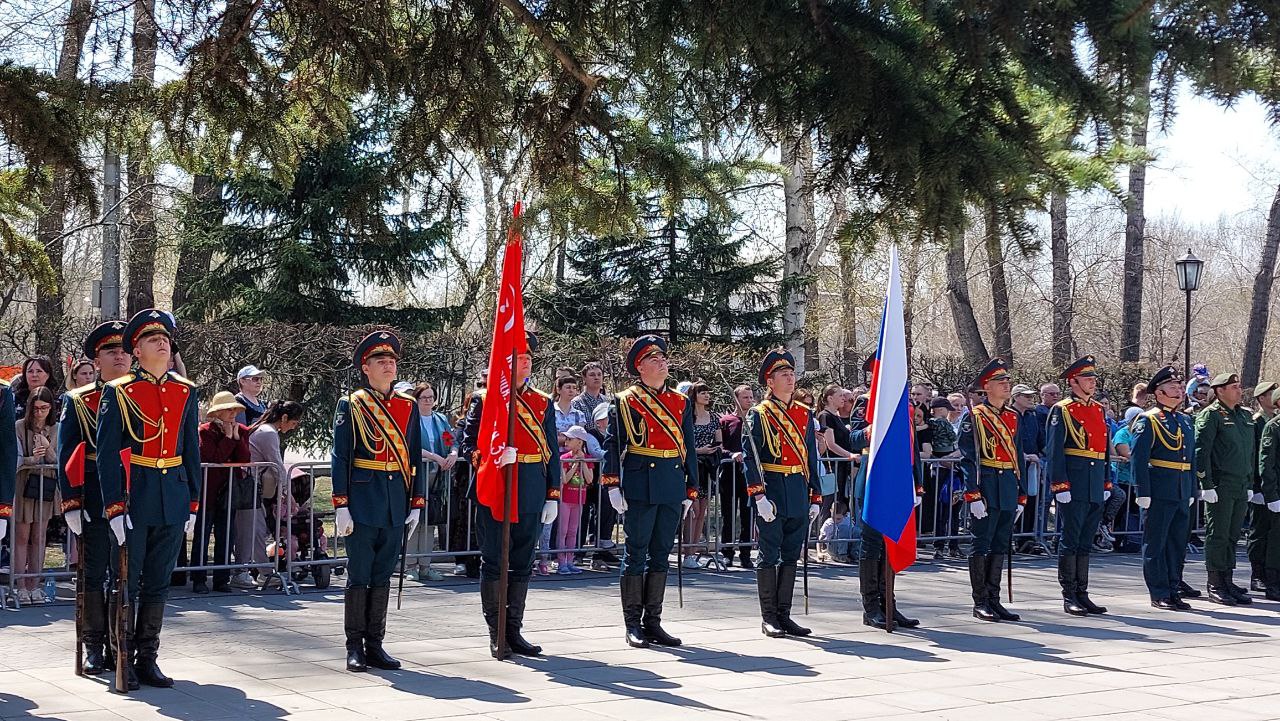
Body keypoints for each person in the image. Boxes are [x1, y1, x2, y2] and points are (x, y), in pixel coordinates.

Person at [97, 308, 202, 689]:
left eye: (165, 338)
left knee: (158, 582)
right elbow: (108, 454)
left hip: (171, 493)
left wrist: (192, 499)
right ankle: (120, 652)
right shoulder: (119, 391)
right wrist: (113, 507)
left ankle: (148, 657)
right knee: (125, 580)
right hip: (135, 494)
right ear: (136, 351)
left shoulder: (185, 390)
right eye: (151, 339)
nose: (162, 343)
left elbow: (191, 447)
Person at [330, 331, 424, 672]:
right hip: (364, 498)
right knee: (360, 575)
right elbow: (341, 456)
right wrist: (341, 503)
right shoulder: (352, 403)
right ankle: (354, 645)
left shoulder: (408, 405)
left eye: (392, 361)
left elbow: (414, 456)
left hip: (395, 500)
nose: (388, 365)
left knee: (383, 574)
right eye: (380, 361)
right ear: (365, 369)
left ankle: (376, 644)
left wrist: (416, 501)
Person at [463, 331, 560, 659]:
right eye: (520, 357)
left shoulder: (542, 401)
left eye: (530, 357)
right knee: (494, 562)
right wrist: (492, 457)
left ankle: (514, 630)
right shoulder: (485, 397)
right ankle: (496, 632)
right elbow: (467, 445)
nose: (527, 362)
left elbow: (552, 452)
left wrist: (552, 494)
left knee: (521, 562)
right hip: (496, 486)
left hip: (531, 486)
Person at [602, 334, 697, 648]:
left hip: (671, 482)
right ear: (640, 367)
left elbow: (689, 448)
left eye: (664, 358)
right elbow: (613, 445)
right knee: (636, 554)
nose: (662, 363)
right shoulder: (625, 400)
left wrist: (690, 488)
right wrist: (612, 483)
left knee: (661, 554)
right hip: (640, 482)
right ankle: (632, 624)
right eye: (654, 359)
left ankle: (653, 621)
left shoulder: (680, 402)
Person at [58, 321, 131, 675]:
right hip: (95, 497)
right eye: (110, 351)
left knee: (128, 575)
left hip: (136, 496)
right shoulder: (79, 400)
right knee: (94, 572)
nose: (119, 356)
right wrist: (71, 501)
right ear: (96, 360)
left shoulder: (143, 395)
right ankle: (93, 644)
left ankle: (123, 645)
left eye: (123, 350)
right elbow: (67, 453)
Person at [742, 348, 822, 638]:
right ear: (770, 382)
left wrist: (816, 495)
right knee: (769, 554)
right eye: (783, 376)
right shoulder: (759, 414)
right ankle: (769, 616)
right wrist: (758, 496)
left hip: (798, 488)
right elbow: (750, 457)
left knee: (792, 554)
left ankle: (785, 614)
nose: (790, 380)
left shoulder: (804, 413)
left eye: (792, 374)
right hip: (773, 489)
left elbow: (811, 457)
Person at [958, 358, 1027, 622]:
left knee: (1001, 543)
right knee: (981, 544)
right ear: (986, 387)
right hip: (986, 485)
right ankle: (980, 601)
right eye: (1001, 382)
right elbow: (968, 459)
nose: (1007, 385)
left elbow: (1018, 456)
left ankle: (995, 599)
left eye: (1007, 381)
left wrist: (1022, 493)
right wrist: (973, 494)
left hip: (1008, 485)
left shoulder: (1013, 416)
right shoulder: (974, 417)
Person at [1044, 356, 1111, 617]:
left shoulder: (1097, 409)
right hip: (1074, 481)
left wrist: (1106, 480)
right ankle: (1069, 594)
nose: (1092, 382)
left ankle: (1083, 592)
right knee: (1071, 539)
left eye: (1094, 378)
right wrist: (1060, 485)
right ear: (1073, 382)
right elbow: (1055, 450)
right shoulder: (1062, 409)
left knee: (1086, 540)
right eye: (1087, 378)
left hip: (1094, 482)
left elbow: (1102, 449)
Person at [1131, 366, 1197, 611]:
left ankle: (1173, 587)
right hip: (1159, 489)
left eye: (1180, 387)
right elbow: (1139, 458)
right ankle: (1159, 591)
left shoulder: (1184, 420)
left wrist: (1192, 491)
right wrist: (1143, 491)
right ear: (1158, 393)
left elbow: (1191, 458)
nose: (1179, 390)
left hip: (1181, 490)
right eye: (1172, 387)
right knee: (1156, 542)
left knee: (1177, 543)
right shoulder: (1148, 419)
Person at [1195, 372, 1258, 605]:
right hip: (1220, 485)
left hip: (1240, 484)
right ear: (1220, 391)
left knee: (1232, 535)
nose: (1239, 391)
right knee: (1218, 534)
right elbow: (1202, 451)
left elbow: (1249, 453)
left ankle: (1227, 579)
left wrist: (1250, 483)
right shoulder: (1211, 416)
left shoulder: (1244, 416)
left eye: (1239, 386)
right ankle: (1215, 582)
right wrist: (1206, 484)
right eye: (1234, 387)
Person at [192, 391, 251, 594]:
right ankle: (198, 578)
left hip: (229, 491)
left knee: (226, 534)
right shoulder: (205, 431)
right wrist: (227, 438)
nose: (232, 412)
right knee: (203, 534)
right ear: (217, 412)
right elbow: (213, 457)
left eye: (234, 408)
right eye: (228, 409)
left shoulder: (242, 430)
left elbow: (244, 458)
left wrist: (235, 437)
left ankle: (222, 578)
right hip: (208, 490)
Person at [13, 385, 59, 604]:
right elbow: (16, 459)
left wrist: (47, 448)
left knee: (39, 537)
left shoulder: (56, 428)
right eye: (36, 408)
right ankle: (21, 584)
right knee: (22, 536)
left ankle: (35, 585)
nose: (40, 413)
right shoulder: (19, 426)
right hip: (24, 485)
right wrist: (32, 459)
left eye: (44, 408)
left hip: (45, 485)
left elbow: (59, 459)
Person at [408, 383, 456, 582]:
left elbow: (449, 440)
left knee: (430, 521)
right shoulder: (411, 419)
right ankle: (410, 565)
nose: (428, 400)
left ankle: (426, 566)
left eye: (431, 397)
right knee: (414, 519)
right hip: (417, 474)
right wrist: (434, 456)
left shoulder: (440, 419)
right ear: (416, 399)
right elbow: (410, 446)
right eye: (424, 397)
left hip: (437, 476)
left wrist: (453, 453)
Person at [683, 381, 720, 569]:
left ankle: (693, 551)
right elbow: (683, 444)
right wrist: (699, 450)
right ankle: (687, 550)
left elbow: (719, 441)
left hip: (707, 468)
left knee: (702, 512)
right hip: (691, 467)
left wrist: (714, 450)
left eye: (708, 392)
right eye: (702, 392)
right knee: (692, 511)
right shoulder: (687, 417)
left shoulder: (714, 417)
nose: (706, 395)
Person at [1246, 381, 1278, 592]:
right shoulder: (1257, 422)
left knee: (1273, 533)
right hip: (1262, 485)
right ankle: (1258, 574)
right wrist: (1255, 487)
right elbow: (1254, 456)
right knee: (1259, 531)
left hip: (1273, 485)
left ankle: (1270, 572)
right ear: (1261, 399)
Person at [718, 385, 755, 568]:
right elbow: (719, 446)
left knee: (748, 514)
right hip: (729, 474)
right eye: (745, 397)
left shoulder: (756, 420)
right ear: (736, 400)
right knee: (728, 513)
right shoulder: (726, 421)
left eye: (751, 397)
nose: (749, 400)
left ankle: (746, 552)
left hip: (749, 475)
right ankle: (727, 551)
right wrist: (731, 454)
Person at [926, 396, 964, 559]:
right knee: (942, 508)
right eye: (954, 405)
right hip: (942, 468)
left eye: (961, 405)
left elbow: (963, 446)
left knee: (954, 508)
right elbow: (953, 441)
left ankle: (951, 545)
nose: (957, 409)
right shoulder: (941, 423)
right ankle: (940, 545)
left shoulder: (931, 424)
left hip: (955, 468)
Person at [557, 426, 593, 574]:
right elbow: (564, 480)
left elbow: (589, 479)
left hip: (579, 499)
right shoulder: (564, 458)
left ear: (580, 442)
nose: (567, 441)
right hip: (566, 498)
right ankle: (561, 562)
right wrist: (573, 464)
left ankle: (570, 561)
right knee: (563, 531)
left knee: (573, 531)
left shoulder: (588, 458)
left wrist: (582, 462)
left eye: (570, 439)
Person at [1011, 384, 1043, 551]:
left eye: (1032, 396)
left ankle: (1026, 538)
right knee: (1015, 501)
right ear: (1016, 397)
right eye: (1027, 396)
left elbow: (1039, 438)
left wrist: (1041, 455)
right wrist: (1020, 455)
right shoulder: (1009, 414)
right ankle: (1011, 537)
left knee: (1031, 500)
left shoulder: (1032, 416)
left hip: (1032, 465)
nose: (1031, 399)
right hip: (1014, 465)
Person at [1255, 387, 1280, 601]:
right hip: (1278, 491)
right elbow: (1266, 463)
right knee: (1275, 539)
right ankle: (1272, 582)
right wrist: (1271, 495)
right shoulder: (1273, 427)